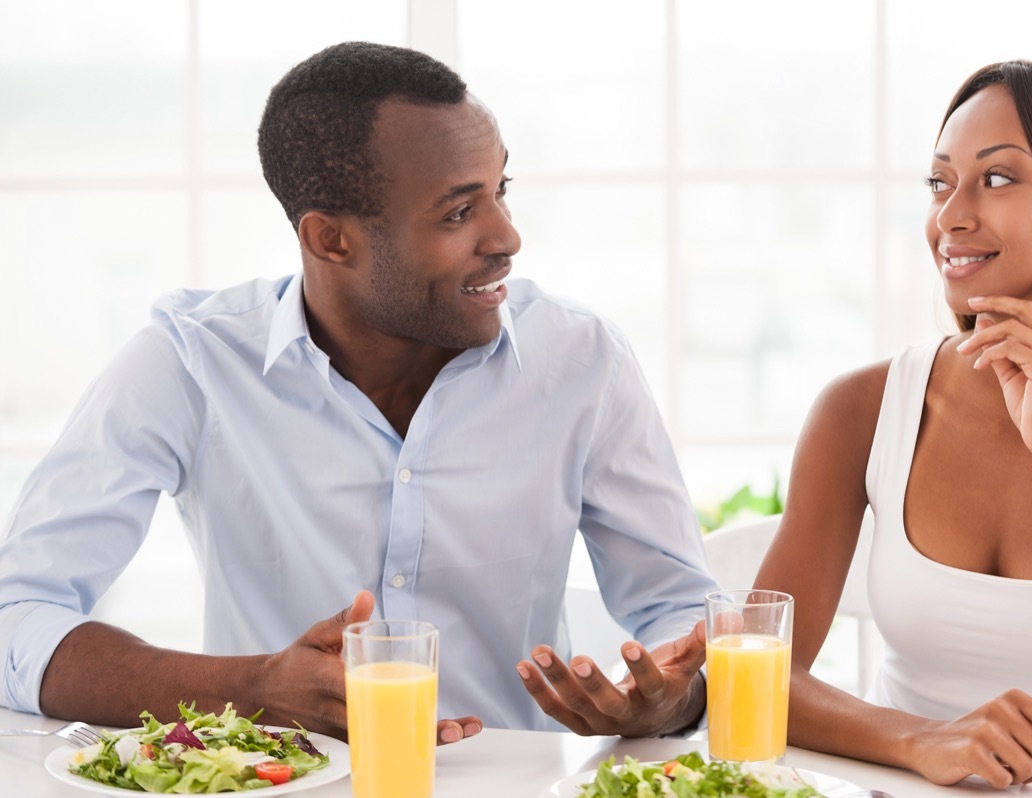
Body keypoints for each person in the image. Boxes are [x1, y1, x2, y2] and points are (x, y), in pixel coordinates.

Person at [0, 42, 713, 742]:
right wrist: (248, 692)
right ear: (331, 239)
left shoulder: (581, 359)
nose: (507, 236)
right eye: (459, 213)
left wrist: (671, 700)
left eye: (501, 190)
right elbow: (18, 615)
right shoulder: (192, 364)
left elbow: (684, 613)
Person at [754, 59, 1032, 787]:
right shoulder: (863, 411)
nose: (949, 217)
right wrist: (921, 740)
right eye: (939, 182)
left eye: (995, 179)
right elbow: (754, 673)